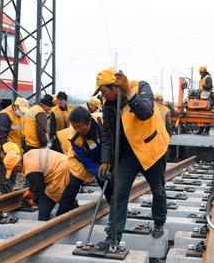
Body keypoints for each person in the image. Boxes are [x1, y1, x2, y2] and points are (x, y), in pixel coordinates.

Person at [93, 68, 170, 250]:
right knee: (118, 194)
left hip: (151, 150)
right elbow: (107, 135)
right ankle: (113, 237)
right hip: (127, 154)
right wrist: (106, 159)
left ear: (115, 87)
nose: (102, 95)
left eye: (104, 91)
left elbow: (145, 113)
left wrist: (128, 91)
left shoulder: (141, 87)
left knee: (158, 191)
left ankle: (159, 221)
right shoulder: (108, 104)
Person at [56, 107, 113, 216]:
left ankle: (116, 210)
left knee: (109, 185)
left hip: (103, 154)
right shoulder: (74, 137)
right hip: (81, 159)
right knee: (73, 184)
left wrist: (108, 162)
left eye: (79, 127)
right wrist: (99, 172)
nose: (77, 130)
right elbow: (86, 161)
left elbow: (111, 140)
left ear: (89, 122)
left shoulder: (101, 121)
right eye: (74, 127)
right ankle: (60, 215)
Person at [3, 148, 70, 221]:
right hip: (62, 163)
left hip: (60, 170)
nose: (15, 173)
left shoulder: (31, 170)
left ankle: (42, 222)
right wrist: (30, 190)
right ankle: (72, 205)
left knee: (46, 198)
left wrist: (33, 200)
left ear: (18, 166)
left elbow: (39, 188)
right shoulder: (28, 156)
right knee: (59, 194)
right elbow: (38, 178)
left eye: (13, 170)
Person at [0, 97, 30, 193]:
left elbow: (20, 135)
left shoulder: (21, 116)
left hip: (14, 152)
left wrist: (24, 148)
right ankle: (6, 201)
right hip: (4, 152)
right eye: (21, 110)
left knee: (12, 176)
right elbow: (2, 138)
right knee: (5, 178)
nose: (22, 112)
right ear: (15, 106)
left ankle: (9, 198)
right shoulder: (5, 116)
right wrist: (8, 154)